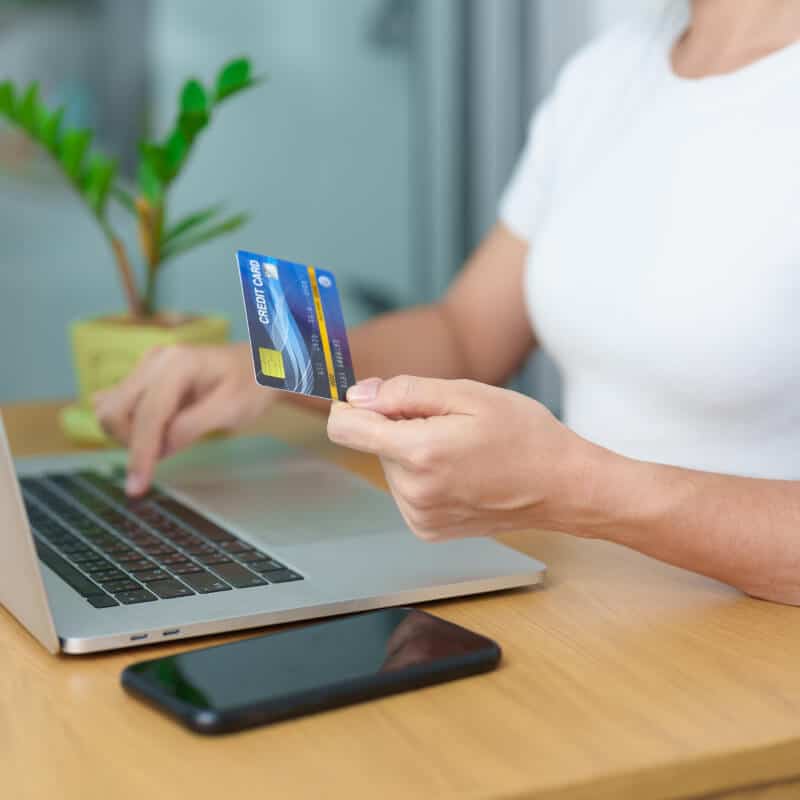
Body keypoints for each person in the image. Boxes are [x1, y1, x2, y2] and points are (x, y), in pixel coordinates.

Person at [94, 0, 800, 605]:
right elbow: (466, 333)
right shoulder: (610, 73)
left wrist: (577, 489)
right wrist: (270, 360)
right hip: (596, 608)